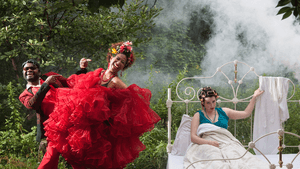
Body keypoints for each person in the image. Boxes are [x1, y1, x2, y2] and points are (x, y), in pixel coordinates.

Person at [42, 41, 161, 169]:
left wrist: (112, 117)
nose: (119, 63)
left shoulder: (116, 82)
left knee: (93, 163)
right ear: (111, 57)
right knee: (72, 158)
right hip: (83, 127)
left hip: (98, 131)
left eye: (123, 62)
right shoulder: (98, 74)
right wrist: (82, 69)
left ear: (123, 67)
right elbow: (78, 88)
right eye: (118, 58)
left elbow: (130, 101)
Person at [19, 59, 90, 169]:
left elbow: (73, 83)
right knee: (50, 158)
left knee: (78, 158)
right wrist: (46, 84)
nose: (29, 70)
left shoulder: (51, 76)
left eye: (32, 68)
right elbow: (33, 104)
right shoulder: (25, 94)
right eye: (26, 69)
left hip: (73, 123)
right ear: (23, 72)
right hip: (54, 130)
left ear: (38, 71)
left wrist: (82, 69)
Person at [183, 87, 269, 169]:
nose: (212, 105)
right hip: (206, 143)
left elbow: (246, 113)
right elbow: (193, 137)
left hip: (226, 142)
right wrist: (210, 143)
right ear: (203, 103)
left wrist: (254, 97)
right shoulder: (198, 115)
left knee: (238, 158)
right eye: (208, 103)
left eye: (213, 101)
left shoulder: (224, 111)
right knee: (214, 159)